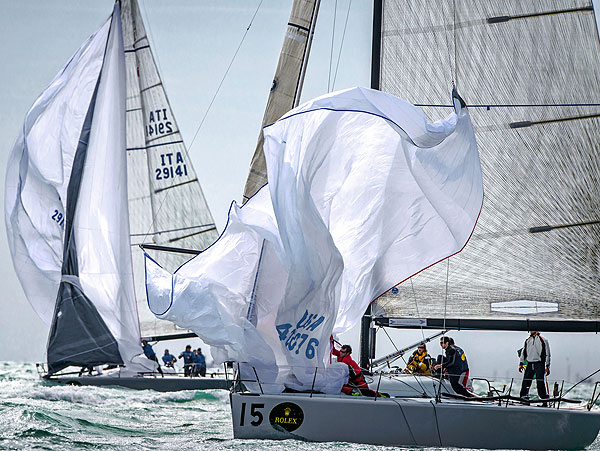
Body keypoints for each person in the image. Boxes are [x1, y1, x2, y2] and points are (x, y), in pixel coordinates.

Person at [519, 331, 550, 405]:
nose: (530, 331)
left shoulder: (543, 340)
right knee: (526, 382)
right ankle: (524, 398)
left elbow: (547, 354)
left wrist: (547, 366)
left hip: (539, 363)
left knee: (540, 383)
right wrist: (521, 363)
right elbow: (523, 353)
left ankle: (544, 400)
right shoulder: (527, 340)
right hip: (529, 363)